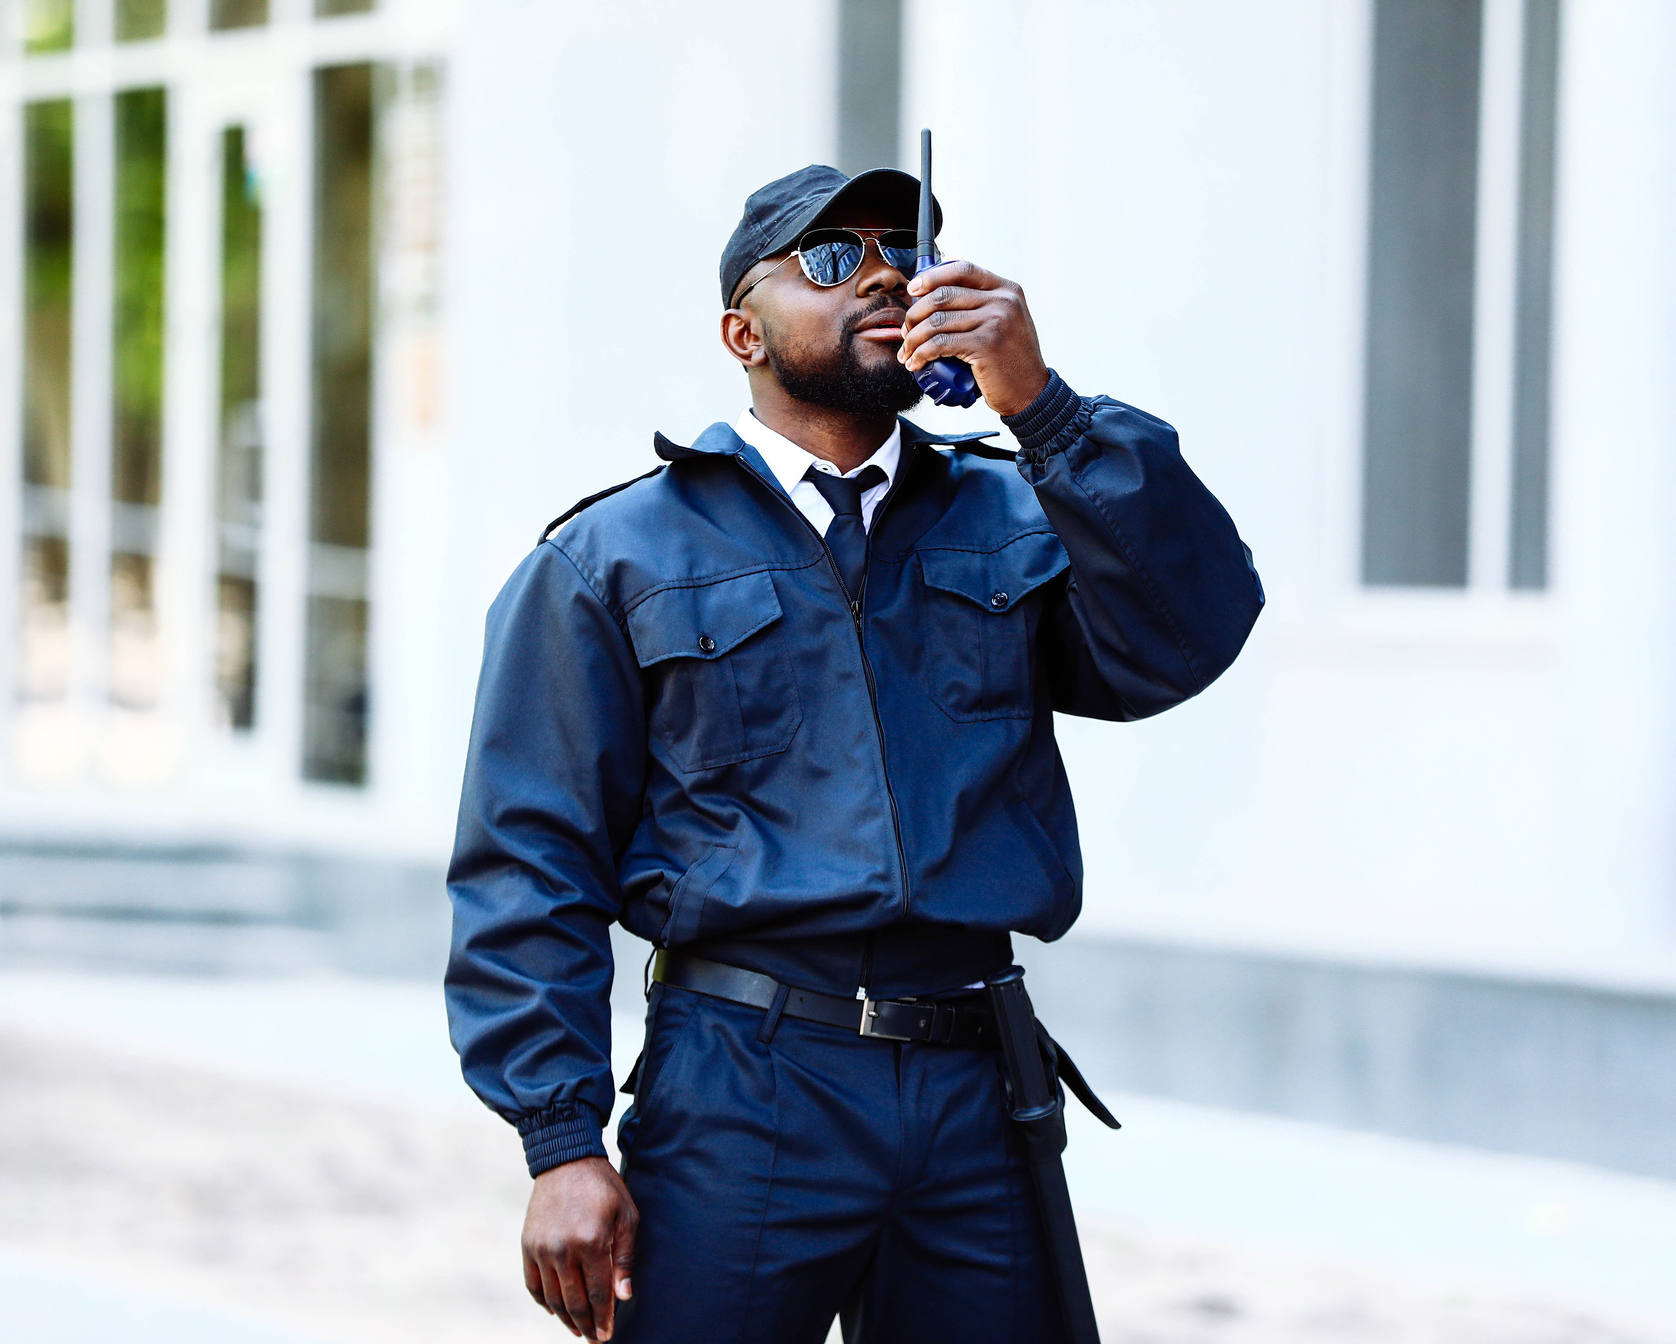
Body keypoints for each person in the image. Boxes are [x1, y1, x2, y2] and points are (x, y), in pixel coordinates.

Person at [445, 162, 1263, 1344]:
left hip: (974, 1077)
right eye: (832, 258)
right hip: (744, 1079)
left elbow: (1189, 634)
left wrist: (1043, 409)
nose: (884, 270)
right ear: (743, 331)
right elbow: (529, 860)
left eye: (905, 245)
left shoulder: (1017, 510)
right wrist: (559, 1141)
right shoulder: (612, 557)